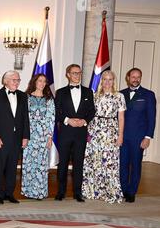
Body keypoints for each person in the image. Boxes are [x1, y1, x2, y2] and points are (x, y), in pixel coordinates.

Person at [82, 70, 126, 204]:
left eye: (110, 79)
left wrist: (120, 136)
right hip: (95, 131)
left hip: (111, 132)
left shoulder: (119, 96)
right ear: (101, 81)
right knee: (94, 161)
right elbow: (89, 116)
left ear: (114, 81)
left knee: (110, 163)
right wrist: (88, 133)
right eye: (105, 79)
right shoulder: (94, 96)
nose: (107, 82)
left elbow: (121, 118)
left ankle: (111, 191)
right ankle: (94, 191)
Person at [54, 64, 95, 202]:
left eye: (79, 73)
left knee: (79, 163)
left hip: (81, 134)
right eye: (74, 73)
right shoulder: (60, 92)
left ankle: (78, 192)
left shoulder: (88, 92)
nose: (77, 75)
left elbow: (92, 111)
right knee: (63, 163)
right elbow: (56, 111)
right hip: (65, 132)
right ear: (68, 75)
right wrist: (67, 120)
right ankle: (61, 191)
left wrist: (84, 121)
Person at [0, 70, 30, 205]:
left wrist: (25, 136)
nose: (17, 82)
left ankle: (9, 193)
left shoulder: (23, 96)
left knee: (13, 167)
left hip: (17, 138)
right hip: (1, 138)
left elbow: (25, 118)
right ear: (5, 80)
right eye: (14, 80)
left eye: (18, 80)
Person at [120, 68, 157, 203]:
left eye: (138, 77)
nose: (135, 79)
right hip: (122, 137)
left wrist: (148, 137)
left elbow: (152, 118)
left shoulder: (148, 95)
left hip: (138, 137)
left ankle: (131, 192)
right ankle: (123, 190)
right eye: (133, 77)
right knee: (122, 164)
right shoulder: (120, 94)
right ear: (128, 77)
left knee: (136, 165)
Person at [21, 73, 55, 200]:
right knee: (29, 163)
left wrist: (50, 137)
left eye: (44, 81)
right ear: (34, 82)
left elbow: (51, 118)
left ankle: (40, 192)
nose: (42, 83)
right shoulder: (26, 97)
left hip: (43, 136)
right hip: (29, 135)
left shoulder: (49, 99)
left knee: (41, 164)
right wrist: (24, 135)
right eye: (40, 81)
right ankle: (28, 191)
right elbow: (23, 118)